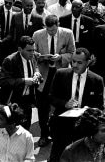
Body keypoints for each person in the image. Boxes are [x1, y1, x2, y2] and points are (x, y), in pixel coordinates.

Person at [49, 48, 105, 162]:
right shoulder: (61, 74)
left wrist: (88, 110)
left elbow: (99, 106)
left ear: (88, 62)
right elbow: (51, 97)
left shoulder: (96, 80)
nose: (75, 65)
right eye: (73, 61)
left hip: (83, 127)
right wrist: (65, 104)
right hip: (62, 125)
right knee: (57, 156)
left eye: (79, 63)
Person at [32, 14, 76, 147]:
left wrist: (61, 57)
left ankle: (60, 135)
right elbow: (32, 53)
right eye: (48, 30)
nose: (50, 33)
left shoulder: (67, 34)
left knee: (61, 104)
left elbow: (73, 52)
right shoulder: (37, 34)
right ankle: (44, 134)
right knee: (42, 107)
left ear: (58, 25)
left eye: (53, 30)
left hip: (60, 74)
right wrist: (40, 56)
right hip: (44, 74)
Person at [0, 36, 41, 131]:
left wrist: (37, 73)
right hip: (14, 101)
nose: (32, 53)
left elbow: (35, 67)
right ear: (20, 49)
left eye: (33, 50)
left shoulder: (33, 56)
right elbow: (3, 81)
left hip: (28, 100)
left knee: (26, 128)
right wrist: (24, 81)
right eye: (29, 50)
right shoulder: (10, 60)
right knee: (13, 129)